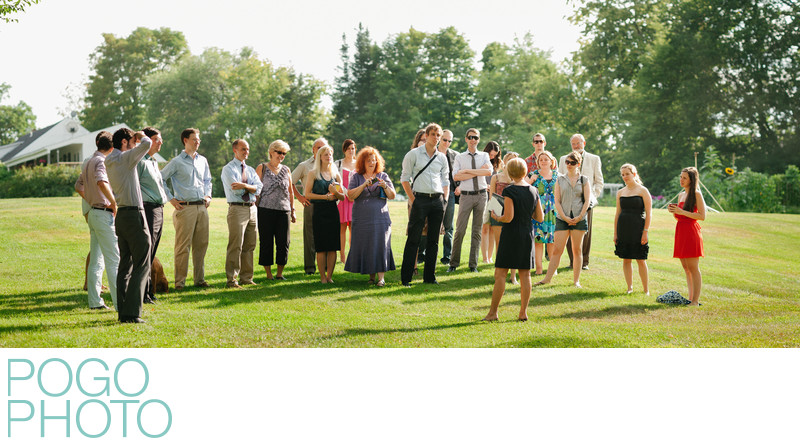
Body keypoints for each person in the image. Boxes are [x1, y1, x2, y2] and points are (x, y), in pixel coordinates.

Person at [483, 158, 544, 322]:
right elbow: (540, 217)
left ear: (509, 173)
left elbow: (508, 218)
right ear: (525, 172)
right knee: (525, 275)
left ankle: (493, 313)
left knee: (500, 273)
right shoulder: (533, 190)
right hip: (526, 234)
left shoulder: (509, 191)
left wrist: (496, 216)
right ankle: (523, 312)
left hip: (510, 234)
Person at [106, 128, 153, 323]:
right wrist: (140, 133)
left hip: (122, 215)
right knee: (142, 262)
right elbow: (148, 144)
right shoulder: (126, 158)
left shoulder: (109, 160)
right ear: (125, 142)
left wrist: (134, 138)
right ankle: (133, 313)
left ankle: (123, 311)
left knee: (125, 265)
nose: (135, 144)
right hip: (134, 214)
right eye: (131, 141)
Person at [160, 128, 212, 290]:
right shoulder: (177, 161)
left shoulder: (202, 160)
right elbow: (160, 178)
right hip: (185, 209)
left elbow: (207, 180)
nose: (197, 142)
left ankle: (199, 280)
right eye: (194, 139)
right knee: (183, 247)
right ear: (185, 140)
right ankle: (180, 282)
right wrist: (171, 198)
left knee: (201, 244)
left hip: (202, 207)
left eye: (199, 140)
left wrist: (208, 196)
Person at [400, 123, 449, 286]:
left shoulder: (442, 157)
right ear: (426, 135)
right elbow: (405, 178)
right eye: (433, 134)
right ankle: (406, 278)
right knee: (413, 239)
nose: (436, 138)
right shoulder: (413, 154)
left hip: (437, 201)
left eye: (438, 135)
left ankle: (429, 277)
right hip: (419, 199)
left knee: (433, 241)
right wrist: (414, 201)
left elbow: (445, 180)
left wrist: (444, 200)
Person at [74, 131, 119, 310]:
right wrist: (113, 202)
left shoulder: (89, 161)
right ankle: (120, 304)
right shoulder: (101, 161)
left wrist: (90, 199)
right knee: (113, 259)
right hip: (102, 213)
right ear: (112, 147)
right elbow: (101, 181)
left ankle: (95, 302)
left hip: (93, 212)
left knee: (97, 260)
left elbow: (78, 186)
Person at [536, 151, 591, 288]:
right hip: (561, 218)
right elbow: (557, 201)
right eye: (567, 162)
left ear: (578, 164)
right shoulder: (560, 179)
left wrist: (579, 217)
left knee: (577, 250)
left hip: (579, 218)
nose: (569, 165)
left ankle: (576, 281)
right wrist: (565, 217)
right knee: (557, 250)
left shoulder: (584, 180)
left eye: (572, 163)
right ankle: (547, 279)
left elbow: (587, 201)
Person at [344, 146, 397, 286]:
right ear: (363, 162)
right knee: (367, 245)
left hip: (380, 218)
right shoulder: (356, 177)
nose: (371, 163)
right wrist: (364, 185)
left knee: (380, 245)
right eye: (368, 161)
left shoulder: (383, 176)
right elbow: (350, 196)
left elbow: (392, 195)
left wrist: (385, 186)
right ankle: (371, 277)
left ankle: (381, 278)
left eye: (374, 160)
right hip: (362, 219)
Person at [448, 129, 492, 273]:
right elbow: (455, 177)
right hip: (465, 196)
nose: (473, 140)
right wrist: (479, 171)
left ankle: (473, 265)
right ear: (466, 139)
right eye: (470, 137)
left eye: (476, 137)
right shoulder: (460, 157)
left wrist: (466, 172)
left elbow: (488, 172)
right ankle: (453, 264)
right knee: (460, 230)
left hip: (481, 196)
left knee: (477, 231)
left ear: (478, 139)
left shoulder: (485, 155)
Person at [221, 139, 263, 289]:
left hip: (252, 209)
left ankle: (247, 278)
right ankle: (231, 280)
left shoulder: (250, 170)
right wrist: (250, 188)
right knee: (236, 245)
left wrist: (245, 185)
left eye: (247, 149)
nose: (246, 152)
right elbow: (236, 190)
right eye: (243, 149)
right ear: (235, 150)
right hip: (237, 209)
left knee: (250, 245)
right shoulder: (228, 169)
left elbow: (259, 188)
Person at [558, 133, 603, 270]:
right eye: (573, 144)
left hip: (586, 202)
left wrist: (591, 198)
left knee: (585, 232)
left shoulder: (594, 159)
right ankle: (572, 261)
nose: (576, 146)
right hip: (567, 201)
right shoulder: (563, 159)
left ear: (584, 143)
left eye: (578, 143)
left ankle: (584, 262)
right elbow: (559, 179)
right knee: (567, 230)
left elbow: (599, 182)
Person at [304, 145, 346, 283]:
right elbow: (307, 194)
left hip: (333, 212)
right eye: (326, 155)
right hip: (319, 211)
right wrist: (325, 197)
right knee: (321, 247)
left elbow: (343, 197)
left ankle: (330, 277)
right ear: (320, 157)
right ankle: (322, 277)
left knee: (333, 247)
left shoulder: (335, 174)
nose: (329, 157)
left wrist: (334, 192)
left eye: (330, 155)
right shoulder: (313, 173)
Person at [255, 140, 296, 280]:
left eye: (284, 153)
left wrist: (293, 209)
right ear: (271, 152)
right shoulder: (262, 168)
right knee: (266, 242)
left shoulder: (287, 170)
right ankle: (268, 274)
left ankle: (279, 273)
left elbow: (290, 192)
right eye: (279, 152)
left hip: (283, 211)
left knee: (283, 242)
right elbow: (256, 190)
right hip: (265, 210)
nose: (281, 156)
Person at [137, 127, 168, 304]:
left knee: (152, 250)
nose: (160, 142)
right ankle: (144, 292)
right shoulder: (140, 162)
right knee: (146, 252)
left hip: (158, 209)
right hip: (147, 209)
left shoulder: (154, 162)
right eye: (156, 139)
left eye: (160, 138)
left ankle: (149, 290)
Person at [669, 167, 706, 306]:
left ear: (691, 179)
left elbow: (702, 216)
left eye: (685, 177)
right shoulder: (681, 195)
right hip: (681, 232)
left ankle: (695, 301)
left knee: (693, 267)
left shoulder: (696, 194)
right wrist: (674, 211)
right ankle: (690, 298)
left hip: (691, 232)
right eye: (681, 177)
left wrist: (681, 211)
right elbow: (680, 217)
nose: (681, 180)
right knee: (685, 267)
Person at [614, 163, 651, 295]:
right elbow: (617, 214)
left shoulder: (643, 191)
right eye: (623, 175)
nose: (625, 177)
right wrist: (615, 233)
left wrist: (645, 232)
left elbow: (649, 213)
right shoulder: (620, 192)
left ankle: (646, 290)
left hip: (638, 228)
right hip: (623, 228)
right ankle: (630, 288)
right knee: (626, 258)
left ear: (634, 174)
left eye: (627, 174)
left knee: (640, 259)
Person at [292, 138, 326, 275]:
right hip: (310, 204)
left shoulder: (329, 164)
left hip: (326, 205)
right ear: (313, 149)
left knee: (324, 236)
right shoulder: (304, 165)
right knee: (310, 237)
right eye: (318, 147)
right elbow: (290, 181)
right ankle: (310, 268)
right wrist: (299, 197)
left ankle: (325, 268)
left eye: (323, 148)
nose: (321, 150)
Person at [489, 151, 519, 284]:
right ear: (505, 162)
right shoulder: (496, 177)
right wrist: (494, 213)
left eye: (515, 160)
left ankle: (513, 276)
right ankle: (499, 273)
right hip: (497, 210)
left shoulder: (518, 179)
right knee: (500, 244)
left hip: (513, 213)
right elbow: (492, 196)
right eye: (510, 159)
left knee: (513, 245)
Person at [528, 150, 559, 275]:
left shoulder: (558, 175)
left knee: (552, 241)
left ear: (551, 161)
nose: (543, 161)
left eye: (546, 159)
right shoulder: (533, 174)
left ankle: (553, 269)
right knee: (538, 240)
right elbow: (522, 187)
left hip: (554, 212)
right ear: (538, 162)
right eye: (541, 160)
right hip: (538, 211)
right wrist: (531, 180)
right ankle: (539, 269)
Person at [439, 129, 459, 265]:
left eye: (449, 141)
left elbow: (458, 173)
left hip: (450, 193)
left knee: (449, 226)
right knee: (428, 225)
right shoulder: (431, 153)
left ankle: (447, 257)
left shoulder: (455, 155)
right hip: (433, 192)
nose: (447, 143)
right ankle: (423, 255)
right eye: (444, 140)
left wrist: (459, 186)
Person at [480, 141, 502, 263]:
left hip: (496, 198)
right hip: (484, 195)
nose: (492, 157)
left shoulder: (498, 165)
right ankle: (484, 258)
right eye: (490, 154)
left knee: (494, 228)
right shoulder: (481, 161)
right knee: (485, 228)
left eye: (494, 155)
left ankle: (490, 257)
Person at [336, 139, 357, 263]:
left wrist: (353, 194)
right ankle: (342, 256)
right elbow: (334, 181)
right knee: (342, 228)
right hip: (342, 200)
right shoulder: (337, 164)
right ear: (344, 150)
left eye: (353, 148)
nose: (351, 151)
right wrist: (345, 193)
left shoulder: (359, 164)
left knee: (354, 228)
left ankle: (353, 254)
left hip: (355, 200)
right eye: (348, 148)